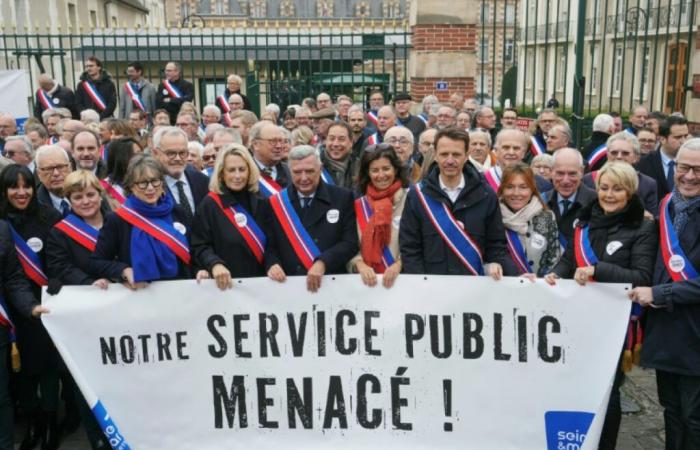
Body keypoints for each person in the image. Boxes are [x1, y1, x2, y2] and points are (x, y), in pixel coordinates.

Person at [546, 161, 657, 450]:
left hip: (614, 325)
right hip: (578, 320)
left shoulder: (644, 226)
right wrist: (556, 273)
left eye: (617, 189)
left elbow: (641, 277)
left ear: (630, 192)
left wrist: (598, 270)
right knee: (575, 387)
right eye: (604, 188)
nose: (609, 195)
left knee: (608, 392)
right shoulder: (584, 220)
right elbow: (570, 259)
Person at [630, 138, 700, 450]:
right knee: (671, 410)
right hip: (667, 330)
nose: (689, 176)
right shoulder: (665, 206)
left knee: (694, 416)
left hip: (696, 333)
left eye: (699, 170)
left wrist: (660, 291)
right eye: (684, 168)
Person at [46, 171, 110, 449]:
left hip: (120, 310)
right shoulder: (60, 232)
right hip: (85, 317)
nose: (85, 201)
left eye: (90, 194)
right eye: (78, 196)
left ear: (100, 194)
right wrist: (88, 283)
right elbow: (59, 268)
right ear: (69, 200)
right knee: (89, 381)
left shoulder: (118, 223)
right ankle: (97, 437)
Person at [0, 165, 62, 450]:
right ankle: (33, 421)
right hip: (10, 311)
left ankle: (49, 424)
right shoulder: (2, 221)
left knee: (47, 367)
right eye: (14, 187)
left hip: (44, 304)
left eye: (27, 186)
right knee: (21, 372)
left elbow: (59, 260)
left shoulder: (49, 217)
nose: (21, 193)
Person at [399, 127, 515, 277]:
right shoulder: (417, 195)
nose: (450, 160)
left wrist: (516, 275)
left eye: (456, 154)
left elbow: (496, 246)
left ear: (466, 156)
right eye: (444, 154)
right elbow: (410, 248)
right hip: (432, 288)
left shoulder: (486, 194)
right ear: (435, 156)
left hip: (474, 287)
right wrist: (422, 285)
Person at [264, 145, 358, 292]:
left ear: (320, 169)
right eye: (297, 172)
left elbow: (350, 242)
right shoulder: (276, 202)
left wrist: (323, 262)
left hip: (332, 283)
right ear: (290, 171)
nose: (304, 178)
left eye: (309, 171)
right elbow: (270, 246)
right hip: (290, 286)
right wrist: (272, 264)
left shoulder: (342, 197)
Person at [91, 155, 193, 287]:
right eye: (142, 183)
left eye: (155, 181)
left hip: (180, 292)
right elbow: (96, 262)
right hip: (140, 295)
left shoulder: (177, 212)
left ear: (162, 183)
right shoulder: (118, 220)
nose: (150, 188)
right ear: (131, 186)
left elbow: (194, 252)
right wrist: (123, 270)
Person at [192, 144, 268, 289]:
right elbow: (199, 245)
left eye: (242, 169)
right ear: (221, 173)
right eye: (231, 170)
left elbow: (273, 242)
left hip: (261, 286)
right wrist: (214, 263)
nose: (237, 176)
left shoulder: (261, 200)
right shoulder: (210, 204)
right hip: (226, 287)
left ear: (250, 171)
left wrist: (273, 264)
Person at [349, 144, 408, 288]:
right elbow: (349, 244)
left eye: (386, 169)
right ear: (367, 173)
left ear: (396, 170)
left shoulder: (412, 199)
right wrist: (359, 264)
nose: (381, 175)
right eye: (375, 170)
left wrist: (399, 265)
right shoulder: (358, 205)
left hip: (404, 282)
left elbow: (418, 243)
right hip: (366, 284)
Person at [498, 163, 560, 276]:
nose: (516, 193)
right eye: (510, 187)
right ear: (502, 189)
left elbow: (554, 257)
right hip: (503, 287)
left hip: (539, 288)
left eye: (523, 187)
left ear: (532, 189)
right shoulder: (493, 216)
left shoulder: (547, 216)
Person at [582, 132, 659, 217]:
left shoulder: (648, 184)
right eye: (614, 153)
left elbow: (653, 220)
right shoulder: (589, 179)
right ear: (607, 155)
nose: (619, 156)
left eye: (625, 153)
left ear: (636, 157)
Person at [151, 127, 210, 221]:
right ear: (155, 153)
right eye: (171, 153)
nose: (178, 158)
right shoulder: (149, 188)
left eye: (182, 153)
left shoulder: (203, 181)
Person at [543, 148, 597, 246]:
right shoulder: (540, 202)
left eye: (572, 174)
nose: (566, 181)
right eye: (560, 173)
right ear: (551, 172)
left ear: (582, 172)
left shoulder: (597, 203)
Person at [637, 115, 690, 201]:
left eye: (685, 136)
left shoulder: (694, 163)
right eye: (678, 137)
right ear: (662, 139)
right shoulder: (643, 163)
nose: (684, 141)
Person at [250, 121, 291, 197]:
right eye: (273, 141)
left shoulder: (290, 171)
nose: (279, 146)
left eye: (281, 141)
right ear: (255, 144)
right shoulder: (245, 172)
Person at [102, 137, 140, 209]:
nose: (141, 158)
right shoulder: (104, 190)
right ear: (119, 160)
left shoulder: (150, 183)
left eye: (141, 153)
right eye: (134, 155)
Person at [35, 145, 73, 216]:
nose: (56, 173)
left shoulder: (87, 196)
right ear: (39, 174)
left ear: (70, 168)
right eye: (49, 169)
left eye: (60, 167)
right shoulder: (33, 206)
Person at [320, 122, 359, 189]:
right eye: (331, 139)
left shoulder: (360, 167)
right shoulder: (316, 167)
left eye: (341, 139)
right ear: (326, 141)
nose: (335, 144)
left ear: (351, 142)